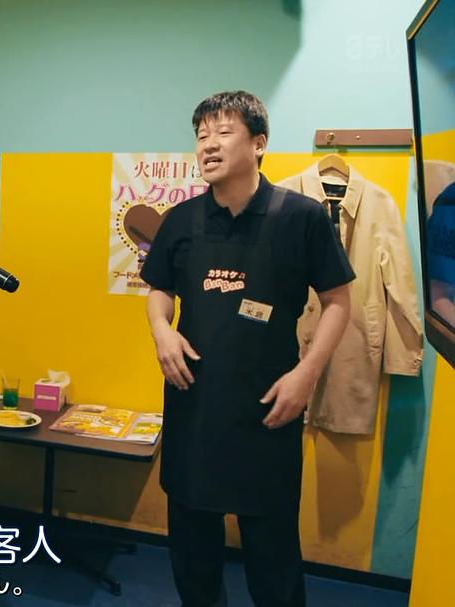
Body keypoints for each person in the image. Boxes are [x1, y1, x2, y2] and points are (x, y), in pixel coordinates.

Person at [140, 91, 354, 607]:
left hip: (270, 407)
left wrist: (306, 375)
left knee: (273, 556)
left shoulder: (301, 217)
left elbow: (338, 302)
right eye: (201, 135)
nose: (208, 145)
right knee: (193, 552)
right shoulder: (181, 219)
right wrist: (162, 330)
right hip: (194, 406)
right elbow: (158, 289)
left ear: (259, 143)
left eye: (223, 132)